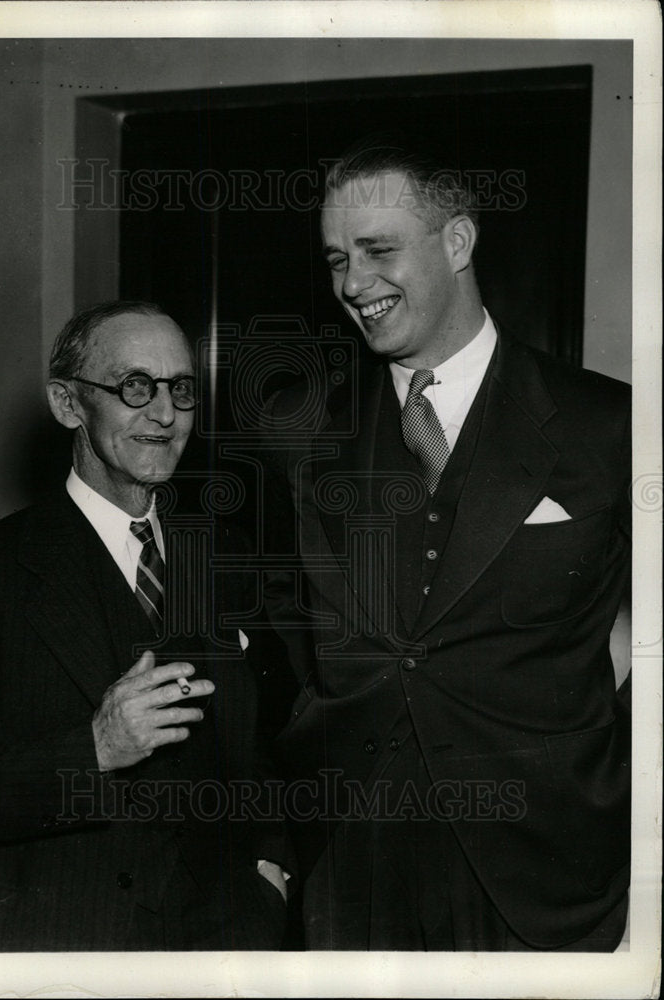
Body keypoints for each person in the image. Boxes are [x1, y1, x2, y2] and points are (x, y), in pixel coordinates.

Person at [262, 139, 631, 951]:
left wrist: (614, 784)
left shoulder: (611, 424)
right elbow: (291, 645)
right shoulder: (303, 434)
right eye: (335, 260)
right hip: (353, 865)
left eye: (378, 251)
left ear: (458, 242)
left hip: (551, 869)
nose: (352, 285)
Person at [0, 300, 290, 951]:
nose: (164, 414)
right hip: (60, 941)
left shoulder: (228, 556)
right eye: (134, 387)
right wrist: (91, 750)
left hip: (225, 941)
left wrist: (270, 866)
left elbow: (268, 737)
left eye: (180, 389)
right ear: (69, 404)